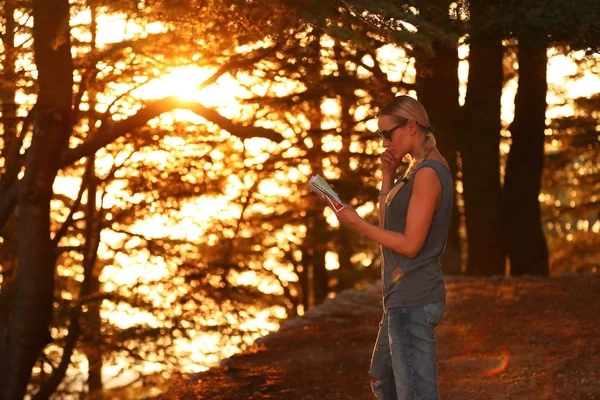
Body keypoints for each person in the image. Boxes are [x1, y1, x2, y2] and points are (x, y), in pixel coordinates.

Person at [333, 95, 452, 400]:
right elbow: (389, 225)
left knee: (415, 394)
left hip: (415, 298)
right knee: (383, 381)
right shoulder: (414, 170)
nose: (384, 143)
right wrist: (387, 175)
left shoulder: (427, 174)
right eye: (380, 136)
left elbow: (411, 245)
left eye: (388, 134)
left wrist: (358, 223)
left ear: (411, 126)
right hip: (400, 299)